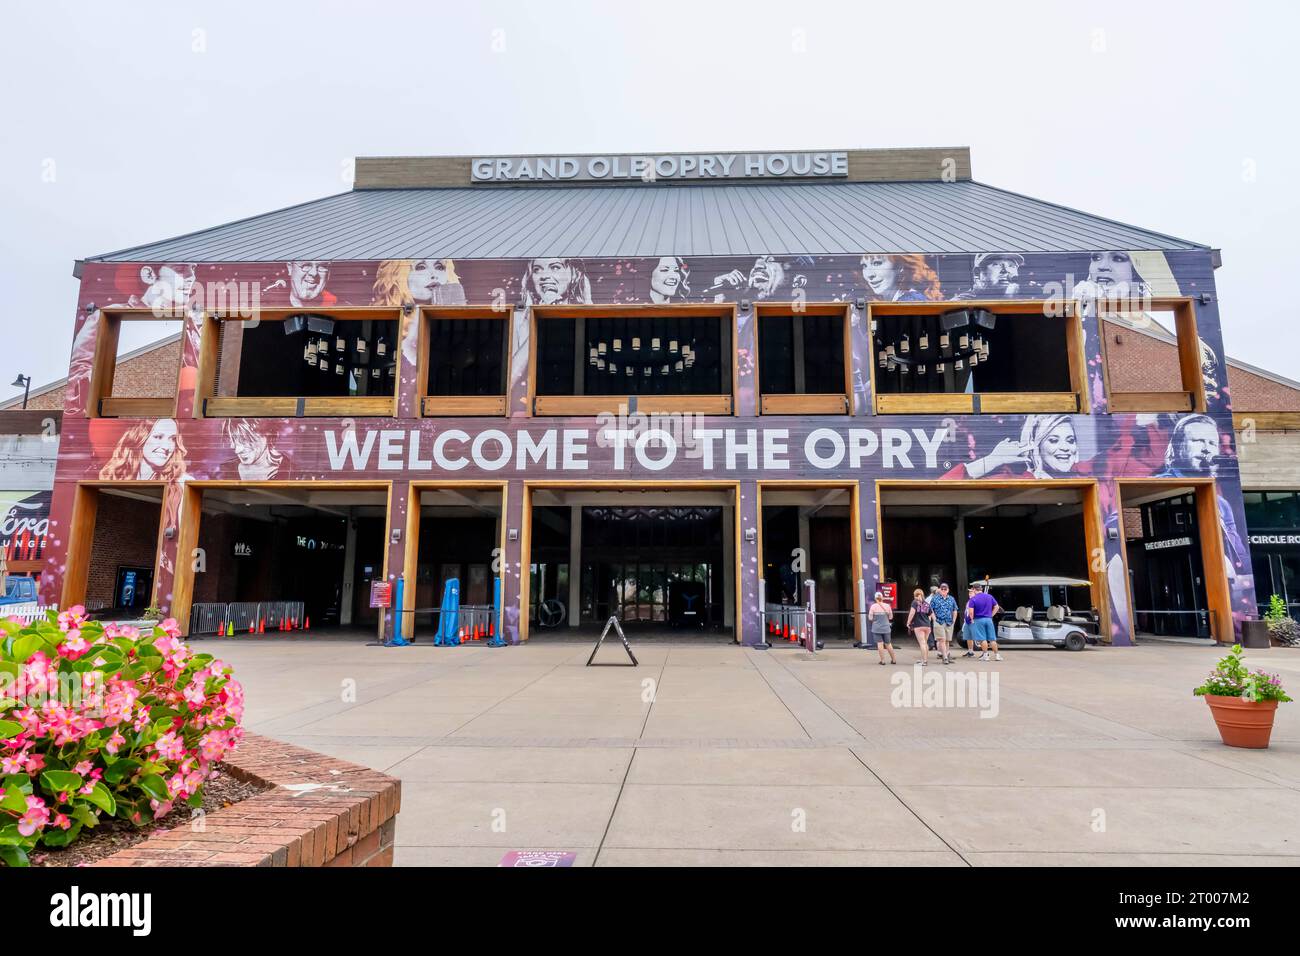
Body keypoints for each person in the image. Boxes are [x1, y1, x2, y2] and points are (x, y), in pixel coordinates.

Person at [951, 253, 1025, 300]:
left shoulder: (1020, 299)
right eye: (996, 265)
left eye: (1011, 266)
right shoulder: (962, 302)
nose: (1005, 270)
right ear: (978, 273)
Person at [965, 583, 1002, 662]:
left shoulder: (973, 599)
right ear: (981, 589)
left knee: (982, 639)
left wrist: (971, 619)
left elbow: (971, 612)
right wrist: (991, 615)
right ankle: (997, 655)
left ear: (974, 589)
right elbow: (997, 607)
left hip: (978, 620)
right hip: (988, 619)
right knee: (992, 639)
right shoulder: (989, 596)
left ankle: (985, 655)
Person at [865, 591, 897, 665]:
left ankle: (882, 661)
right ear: (882, 598)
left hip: (876, 628)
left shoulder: (873, 606)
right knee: (888, 644)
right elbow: (891, 617)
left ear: (875, 598)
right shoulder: (887, 606)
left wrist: (875, 620)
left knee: (880, 644)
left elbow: (870, 618)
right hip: (886, 628)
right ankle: (894, 660)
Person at [930, 582, 958, 664]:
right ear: (939, 590)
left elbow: (955, 610)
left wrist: (954, 620)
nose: (943, 590)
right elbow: (930, 609)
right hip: (939, 621)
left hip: (949, 622)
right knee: (942, 639)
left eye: (945, 589)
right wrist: (934, 619)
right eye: (942, 589)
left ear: (948, 590)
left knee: (947, 640)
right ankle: (944, 657)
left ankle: (946, 655)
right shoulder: (935, 598)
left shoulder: (951, 599)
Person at [906, 588, 935, 665]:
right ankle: (924, 659)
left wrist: (908, 622)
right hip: (927, 626)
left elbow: (912, 613)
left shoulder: (915, 602)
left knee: (922, 643)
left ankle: (924, 661)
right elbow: (933, 616)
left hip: (919, 625)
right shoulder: (926, 603)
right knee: (925, 643)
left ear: (915, 595)